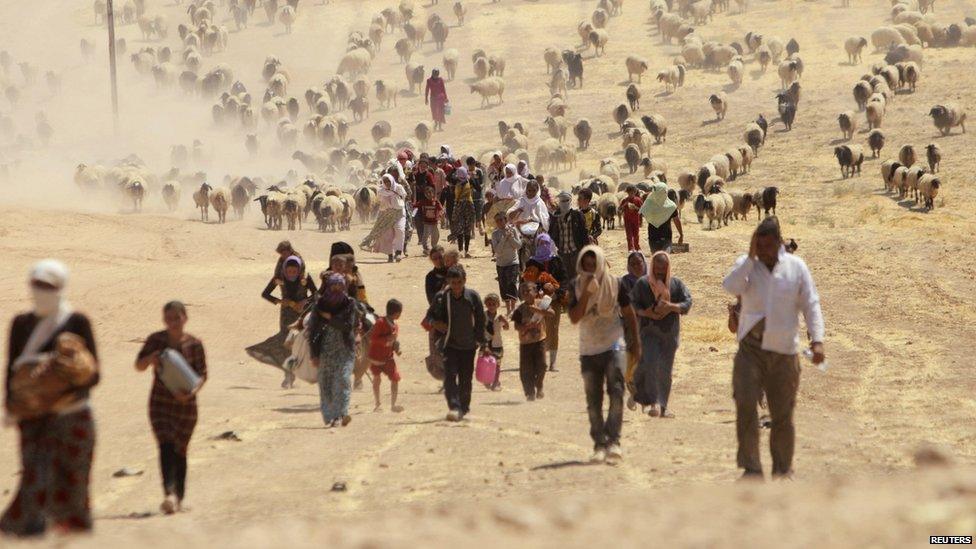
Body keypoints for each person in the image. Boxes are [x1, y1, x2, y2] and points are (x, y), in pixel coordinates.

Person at [2, 260, 99, 537]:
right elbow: (12, 369)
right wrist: (12, 404)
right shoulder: (21, 324)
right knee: (35, 477)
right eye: (38, 285)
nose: (42, 291)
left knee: (74, 484)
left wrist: (59, 384)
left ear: (61, 287)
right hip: (33, 417)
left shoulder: (77, 322)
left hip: (73, 414)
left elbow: (94, 375)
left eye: (49, 286)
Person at [722, 217, 825, 480]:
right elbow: (730, 286)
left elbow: (810, 304)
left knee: (782, 412)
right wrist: (749, 257)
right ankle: (751, 468)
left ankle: (782, 468)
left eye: (769, 245)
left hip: (784, 351)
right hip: (750, 350)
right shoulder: (747, 267)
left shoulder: (796, 267)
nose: (765, 251)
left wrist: (817, 340)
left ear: (779, 243)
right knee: (745, 404)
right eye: (760, 245)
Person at [568, 246, 640, 463]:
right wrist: (587, 294)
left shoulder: (616, 284)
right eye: (586, 265)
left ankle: (614, 441)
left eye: (594, 265)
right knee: (594, 399)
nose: (590, 269)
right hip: (589, 348)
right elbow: (574, 317)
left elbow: (629, 313)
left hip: (614, 345)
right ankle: (599, 443)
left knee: (617, 392)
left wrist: (635, 342)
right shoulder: (576, 286)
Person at [135, 301, 208, 515]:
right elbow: (138, 365)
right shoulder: (156, 341)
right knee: (165, 444)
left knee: (181, 450)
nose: (173, 322)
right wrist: (150, 359)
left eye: (177, 318)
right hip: (160, 403)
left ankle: (179, 497)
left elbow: (203, 375)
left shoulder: (195, 344)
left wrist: (190, 394)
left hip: (186, 406)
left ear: (185, 318)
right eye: (169, 318)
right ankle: (169, 494)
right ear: (164, 320)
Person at [631, 252, 692, 418]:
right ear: (652, 267)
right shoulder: (643, 284)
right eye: (657, 269)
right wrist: (646, 312)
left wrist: (671, 306)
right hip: (648, 332)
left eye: (663, 270)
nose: (660, 273)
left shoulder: (676, 285)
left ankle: (664, 407)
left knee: (665, 371)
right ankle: (653, 404)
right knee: (651, 365)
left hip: (669, 334)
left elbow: (687, 303)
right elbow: (632, 303)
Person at [249, 256, 317, 388]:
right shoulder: (279, 280)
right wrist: (280, 301)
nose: (292, 273)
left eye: (294, 271)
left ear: (299, 270)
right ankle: (288, 376)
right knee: (287, 344)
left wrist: (305, 301)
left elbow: (316, 294)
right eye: (289, 271)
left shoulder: (305, 279)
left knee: (304, 342)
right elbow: (265, 294)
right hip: (286, 315)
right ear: (285, 270)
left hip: (303, 314)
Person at [429, 266, 486, 421]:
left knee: (466, 378)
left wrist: (482, 341)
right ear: (448, 282)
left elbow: (481, 319)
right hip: (450, 345)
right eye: (453, 283)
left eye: (459, 282)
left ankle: (464, 407)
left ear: (464, 281)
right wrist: (437, 324)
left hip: (469, 345)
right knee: (449, 376)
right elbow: (429, 317)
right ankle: (454, 407)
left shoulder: (472, 297)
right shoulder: (441, 298)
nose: (456, 286)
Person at [309, 274, 362, 427]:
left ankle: (341, 414)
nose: (336, 289)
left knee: (343, 380)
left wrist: (330, 318)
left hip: (344, 349)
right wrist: (314, 354)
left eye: (340, 286)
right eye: (334, 286)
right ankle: (330, 416)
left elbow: (348, 326)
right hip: (325, 350)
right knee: (326, 384)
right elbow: (313, 330)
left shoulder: (350, 304)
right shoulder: (320, 304)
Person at [523, 234, 567, 372]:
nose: (544, 246)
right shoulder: (532, 263)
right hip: (537, 301)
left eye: (546, 243)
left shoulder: (557, 260)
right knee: (537, 330)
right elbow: (528, 282)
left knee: (553, 329)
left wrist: (556, 293)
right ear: (536, 244)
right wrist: (540, 291)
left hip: (554, 301)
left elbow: (564, 280)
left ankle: (553, 362)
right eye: (541, 243)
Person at [512, 282, 554, 401]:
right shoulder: (520, 309)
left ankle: (539, 386)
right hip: (525, 343)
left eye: (528, 290)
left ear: (535, 292)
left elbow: (552, 313)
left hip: (540, 340)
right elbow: (516, 326)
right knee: (526, 369)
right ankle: (529, 392)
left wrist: (538, 310)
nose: (525, 293)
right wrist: (525, 327)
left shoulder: (541, 304)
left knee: (541, 365)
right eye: (523, 291)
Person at [620, 250, 647, 409]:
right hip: (630, 328)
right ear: (629, 266)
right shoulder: (624, 282)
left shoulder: (652, 280)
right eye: (633, 264)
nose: (637, 266)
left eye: (639, 263)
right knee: (630, 363)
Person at [361, 174, 407, 262]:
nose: (387, 183)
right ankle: (390, 254)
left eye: (388, 181)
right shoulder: (381, 191)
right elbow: (379, 202)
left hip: (399, 213)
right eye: (385, 181)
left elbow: (404, 197)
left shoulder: (398, 187)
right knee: (387, 234)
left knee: (400, 230)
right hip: (386, 214)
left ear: (392, 180)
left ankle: (398, 252)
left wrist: (396, 201)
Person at [369, 299, 404, 413]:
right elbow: (373, 339)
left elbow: (394, 342)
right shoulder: (380, 323)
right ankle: (377, 403)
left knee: (395, 378)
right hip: (376, 357)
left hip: (388, 358)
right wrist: (386, 339)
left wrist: (397, 348)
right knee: (377, 378)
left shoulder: (395, 326)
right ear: (396, 312)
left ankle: (393, 404)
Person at [548, 191, 589, 281]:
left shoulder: (577, 215)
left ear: (570, 201)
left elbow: (584, 233)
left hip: (576, 251)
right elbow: (551, 233)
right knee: (566, 277)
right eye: (562, 200)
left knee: (578, 276)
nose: (564, 202)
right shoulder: (555, 216)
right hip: (562, 252)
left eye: (566, 200)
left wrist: (586, 250)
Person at [491, 211, 522, 314]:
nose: (499, 222)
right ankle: (508, 309)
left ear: (505, 220)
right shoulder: (495, 234)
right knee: (503, 285)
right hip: (501, 263)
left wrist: (511, 237)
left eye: (501, 220)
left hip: (513, 262)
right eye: (497, 221)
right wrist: (505, 238)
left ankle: (513, 309)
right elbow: (497, 251)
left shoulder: (513, 230)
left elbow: (518, 246)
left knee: (512, 283)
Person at [640, 182, 683, 253]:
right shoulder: (671, 206)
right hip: (664, 238)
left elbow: (644, 214)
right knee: (662, 259)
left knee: (657, 259)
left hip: (654, 237)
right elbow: (676, 220)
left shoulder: (649, 204)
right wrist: (681, 235)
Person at [483, 293, 508, 391]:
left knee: (497, 364)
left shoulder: (500, 316)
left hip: (497, 343)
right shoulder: (483, 316)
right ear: (486, 304)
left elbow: (506, 328)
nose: (491, 306)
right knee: (487, 363)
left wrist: (505, 322)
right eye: (489, 304)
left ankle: (495, 382)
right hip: (485, 344)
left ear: (498, 305)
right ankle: (489, 380)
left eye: (494, 304)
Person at [450, 166, 476, 257]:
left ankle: (466, 250)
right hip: (463, 206)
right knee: (461, 229)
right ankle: (461, 250)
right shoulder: (458, 182)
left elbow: (477, 186)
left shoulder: (468, 181)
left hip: (465, 206)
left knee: (466, 229)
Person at [414, 186, 444, 255]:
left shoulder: (436, 202)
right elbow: (416, 206)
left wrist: (440, 215)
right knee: (425, 235)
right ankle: (426, 248)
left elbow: (441, 209)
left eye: (430, 193)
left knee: (435, 235)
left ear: (433, 193)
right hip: (426, 222)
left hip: (434, 222)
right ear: (425, 194)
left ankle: (434, 247)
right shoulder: (423, 202)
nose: (429, 195)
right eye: (427, 194)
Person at [466, 157, 487, 237]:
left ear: (474, 163)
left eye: (472, 165)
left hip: (478, 196)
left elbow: (482, 183)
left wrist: (479, 188)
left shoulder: (479, 171)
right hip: (469, 196)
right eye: (469, 165)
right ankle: (472, 232)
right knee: (471, 215)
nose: (470, 167)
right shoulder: (467, 172)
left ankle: (480, 228)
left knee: (479, 213)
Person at [621, 186, 644, 252]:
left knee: (636, 235)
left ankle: (637, 247)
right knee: (629, 235)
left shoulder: (638, 200)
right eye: (629, 193)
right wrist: (624, 205)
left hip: (636, 220)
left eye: (632, 193)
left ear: (635, 192)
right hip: (627, 220)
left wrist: (635, 207)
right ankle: (630, 248)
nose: (630, 194)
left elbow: (642, 210)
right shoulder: (625, 200)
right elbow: (619, 210)